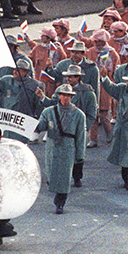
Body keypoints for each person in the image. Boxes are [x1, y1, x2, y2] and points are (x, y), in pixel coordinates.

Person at [35, 84, 86, 214]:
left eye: (68, 95)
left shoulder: (79, 115)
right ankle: (57, 194)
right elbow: (41, 125)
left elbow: (81, 136)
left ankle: (60, 202)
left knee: (64, 176)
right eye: (63, 95)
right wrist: (34, 124)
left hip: (68, 147)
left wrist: (80, 155)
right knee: (52, 173)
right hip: (53, 146)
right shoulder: (49, 112)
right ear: (58, 96)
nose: (65, 98)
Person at [0, 59, 44, 143]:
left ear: (25, 72)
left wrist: (36, 125)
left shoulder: (35, 85)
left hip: (23, 123)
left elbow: (39, 107)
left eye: (18, 70)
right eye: (14, 69)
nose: (15, 72)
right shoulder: (6, 81)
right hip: (7, 122)